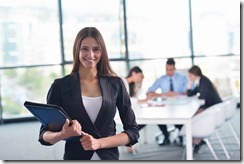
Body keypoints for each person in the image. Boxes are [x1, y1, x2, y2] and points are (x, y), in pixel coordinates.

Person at [38, 27, 139, 160]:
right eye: (85, 49)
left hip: (109, 157)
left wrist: (99, 143)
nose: (90, 55)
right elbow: (44, 135)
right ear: (77, 50)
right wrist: (62, 134)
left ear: (102, 51)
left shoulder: (116, 84)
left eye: (96, 49)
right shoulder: (60, 86)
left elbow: (132, 132)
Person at [146, 58, 187, 146]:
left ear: (175, 69)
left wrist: (178, 93)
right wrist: (163, 94)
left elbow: (190, 91)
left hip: (179, 105)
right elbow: (149, 91)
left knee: (180, 115)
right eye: (167, 69)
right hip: (165, 105)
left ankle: (180, 136)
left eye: (171, 69)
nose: (169, 72)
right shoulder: (161, 79)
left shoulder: (182, 78)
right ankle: (166, 135)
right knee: (157, 115)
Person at [186, 65, 222, 153]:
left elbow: (202, 97)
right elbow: (190, 94)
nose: (189, 77)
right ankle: (196, 139)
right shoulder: (200, 81)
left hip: (214, 108)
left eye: (190, 75)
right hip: (210, 106)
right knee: (193, 114)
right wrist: (189, 83)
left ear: (194, 74)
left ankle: (196, 139)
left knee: (193, 116)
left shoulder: (204, 81)